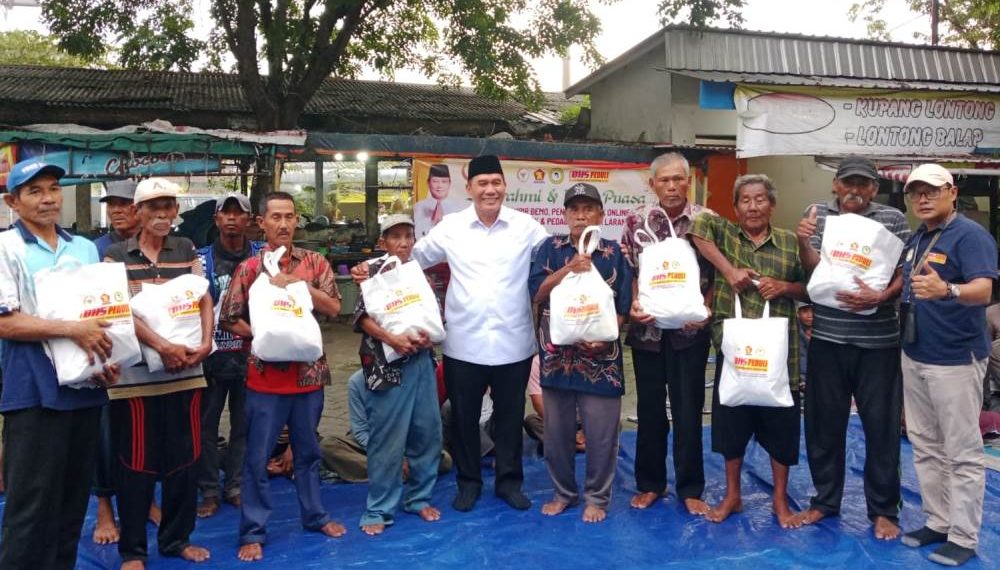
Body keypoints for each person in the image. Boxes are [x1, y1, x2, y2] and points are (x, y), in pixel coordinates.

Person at [353, 154, 549, 512]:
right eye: (482, 183)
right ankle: (468, 483)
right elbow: (410, 260)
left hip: (514, 342)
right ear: (470, 188)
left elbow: (554, 259)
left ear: (504, 186)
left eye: (496, 182)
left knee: (509, 417)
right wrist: (372, 269)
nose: (490, 190)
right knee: (463, 417)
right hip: (463, 343)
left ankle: (509, 482)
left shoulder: (528, 227)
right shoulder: (452, 227)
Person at [0, 159, 120, 569]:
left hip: (84, 387)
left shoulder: (84, 248)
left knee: (72, 502)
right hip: (32, 387)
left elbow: (101, 314)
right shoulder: (5, 248)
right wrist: (73, 329)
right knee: (31, 506)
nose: (48, 198)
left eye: (52, 188)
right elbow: (7, 322)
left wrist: (110, 359)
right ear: (12, 202)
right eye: (34, 191)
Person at [219, 191, 346, 562]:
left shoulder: (314, 263)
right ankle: (253, 530)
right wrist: (261, 336)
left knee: (307, 452)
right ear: (262, 222)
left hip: (309, 378)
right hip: (265, 380)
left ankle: (315, 515)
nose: (284, 224)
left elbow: (336, 307)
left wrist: (299, 286)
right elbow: (229, 315)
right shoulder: (250, 268)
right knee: (256, 457)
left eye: (290, 217)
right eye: (276, 217)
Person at [792, 155, 911, 539]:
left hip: (878, 343)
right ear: (836, 185)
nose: (855, 191)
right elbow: (812, 269)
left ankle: (883, 510)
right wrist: (801, 239)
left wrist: (881, 296)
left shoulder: (892, 219)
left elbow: (902, 272)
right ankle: (824, 501)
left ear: (875, 189)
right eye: (848, 183)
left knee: (881, 427)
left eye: (863, 184)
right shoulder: (818, 216)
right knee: (824, 424)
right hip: (827, 338)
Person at [104, 177, 214, 569]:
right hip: (135, 381)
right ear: (138, 213)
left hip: (187, 372)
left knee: (186, 461)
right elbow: (118, 310)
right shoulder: (116, 255)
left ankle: (176, 540)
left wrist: (204, 343)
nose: (163, 215)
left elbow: (202, 297)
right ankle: (133, 550)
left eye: (169, 207)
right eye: (154, 208)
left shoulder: (185, 248)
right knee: (136, 464)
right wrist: (163, 347)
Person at [690, 174, 807, 527]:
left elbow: (811, 287)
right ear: (736, 206)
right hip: (736, 352)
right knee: (730, 427)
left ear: (772, 204)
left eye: (760, 199)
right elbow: (696, 227)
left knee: (782, 429)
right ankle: (733, 495)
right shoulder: (724, 234)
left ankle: (779, 500)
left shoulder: (789, 242)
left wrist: (785, 286)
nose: (753, 206)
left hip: (780, 357)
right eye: (745, 200)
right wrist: (729, 270)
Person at [897, 164, 997, 566]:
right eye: (916, 192)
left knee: (962, 451)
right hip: (916, 353)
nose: (922, 198)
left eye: (931, 191)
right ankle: (937, 522)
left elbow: (984, 290)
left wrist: (948, 289)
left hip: (955, 359)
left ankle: (964, 535)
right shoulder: (917, 237)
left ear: (952, 192)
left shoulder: (970, 235)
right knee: (924, 445)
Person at [528, 183, 632, 523]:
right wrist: (568, 270)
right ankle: (564, 493)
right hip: (557, 358)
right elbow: (537, 293)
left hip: (601, 362)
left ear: (601, 214)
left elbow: (624, 306)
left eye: (589, 208)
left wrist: (605, 338)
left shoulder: (613, 252)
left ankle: (597, 498)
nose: (581, 214)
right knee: (557, 434)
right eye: (574, 209)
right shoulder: (549, 249)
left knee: (602, 434)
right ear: (565, 214)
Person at [620, 152, 715, 514]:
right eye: (665, 180)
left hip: (690, 334)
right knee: (650, 409)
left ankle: (690, 487)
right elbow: (629, 271)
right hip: (648, 334)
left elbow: (717, 274)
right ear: (652, 184)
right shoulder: (636, 223)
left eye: (678, 179)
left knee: (689, 408)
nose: (672, 186)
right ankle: (650, 484)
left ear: (688, 182)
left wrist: (705, 310)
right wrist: (633, 306)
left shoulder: (707, 222)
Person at [353, 214, 444, 535]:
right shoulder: (371, 274)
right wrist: (393, 339)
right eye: (396, 237)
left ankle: (419, 498)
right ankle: (379, 508)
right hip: (386, 366)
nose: (403, 243)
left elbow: (434, 316)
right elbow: (361, 317)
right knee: (387, 440)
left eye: (408, 236)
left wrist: (425, 337)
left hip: (421, 361)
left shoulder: (418, 275)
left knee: (427, 433)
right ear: (383, 243)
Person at [196, 193, 264, 518]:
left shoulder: (263, 258)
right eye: (227, 213)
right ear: (217, 219)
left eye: (240, 213)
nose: (233, 219)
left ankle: (235, 485)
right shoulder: (200, 261)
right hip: (211, 358)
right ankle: (209, 489)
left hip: (251, 357)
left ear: (250, 220)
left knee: (244, 426)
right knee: (205, 427)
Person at [92, 179, 144, 544]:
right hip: (108, 354)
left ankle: (140, 505)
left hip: (147, 357)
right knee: (105, 436)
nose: (117, 210)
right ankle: (104, 509)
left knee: (140, 436)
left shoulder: (156, 248)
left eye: (124, 203)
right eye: (112, 204)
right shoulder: (95, 249)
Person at [321, 369, 453, 483]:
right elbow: (360, 431)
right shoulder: (356, 382)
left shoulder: (409, 376)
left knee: (444, 460)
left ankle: (388, 473)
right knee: (328, 446)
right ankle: (398, 473)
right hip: (373, 445)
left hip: (406, 445)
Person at [413, 164, 465, 238]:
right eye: (435, 181)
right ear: (428, 183)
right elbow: (417, 234)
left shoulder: (460, 207)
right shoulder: (419, 207)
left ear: (449, 183)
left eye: (444, 182)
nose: (439, 186)